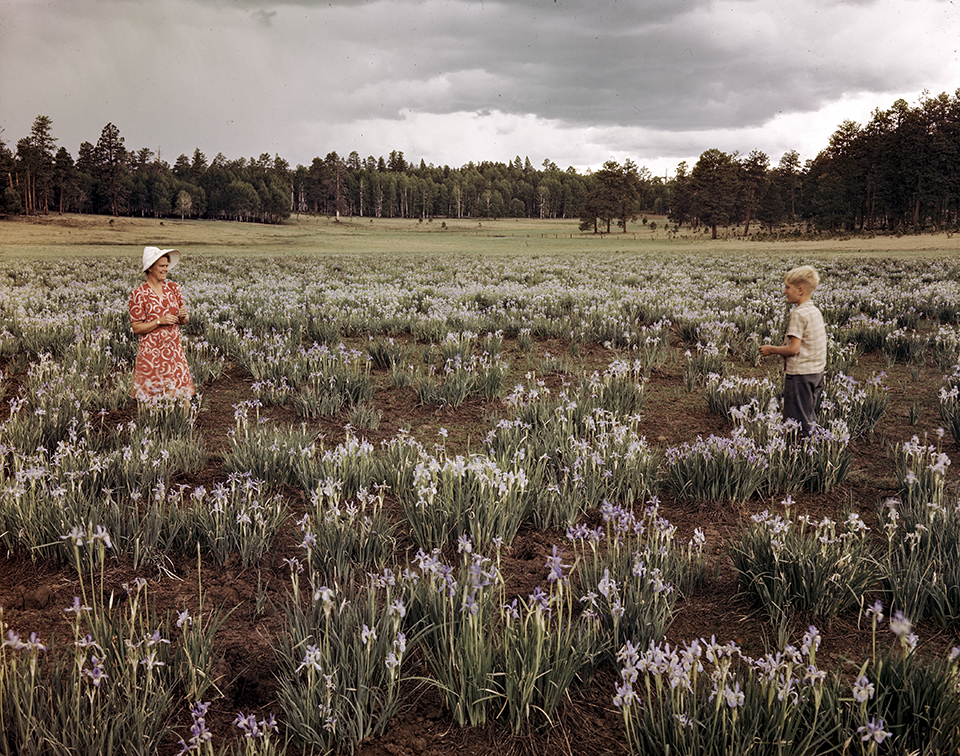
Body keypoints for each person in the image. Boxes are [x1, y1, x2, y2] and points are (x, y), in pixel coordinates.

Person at [759, 265, 827, 438]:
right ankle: (810, 446)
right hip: (816, 373)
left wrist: (771, 349)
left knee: (796, 419)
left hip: (800, 375)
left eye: (787, 287)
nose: (784, 291)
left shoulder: (798, 314)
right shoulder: (815, 311)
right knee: (808, 413)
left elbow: (793, 349)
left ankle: (800, 451)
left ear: (800, 290)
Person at [128, 246, 195, 401]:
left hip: (174, 352)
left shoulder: (173, 288)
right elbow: (136, 328)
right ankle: (155, 425)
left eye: (167, 266)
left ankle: (181, 425)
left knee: (182, 396)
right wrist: (159, 321)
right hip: (151, 354)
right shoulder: (138, 294)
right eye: (162, 266)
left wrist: (184, 316)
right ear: (150, 268)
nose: (166, 269)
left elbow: (184, 321)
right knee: (151, 398)